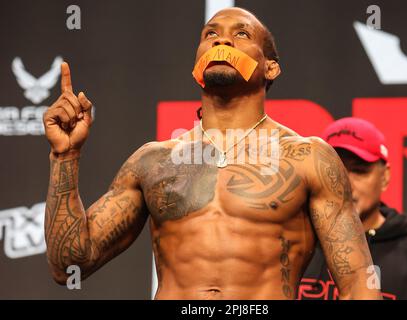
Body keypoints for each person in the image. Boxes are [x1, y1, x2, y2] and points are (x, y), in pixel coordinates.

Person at [43, 7, 380, 300]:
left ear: (271, 68)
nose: (222, 41)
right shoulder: (153, 162)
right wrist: (65, 158)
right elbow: (69, 264)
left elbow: (358, 285)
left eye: (241, 34)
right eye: (211, 35)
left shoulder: (308, 158)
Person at [299, 117, 407, 300]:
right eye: (334, 170)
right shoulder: (294, 243)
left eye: (359, 171)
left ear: (385, 177)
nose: (345, 184)